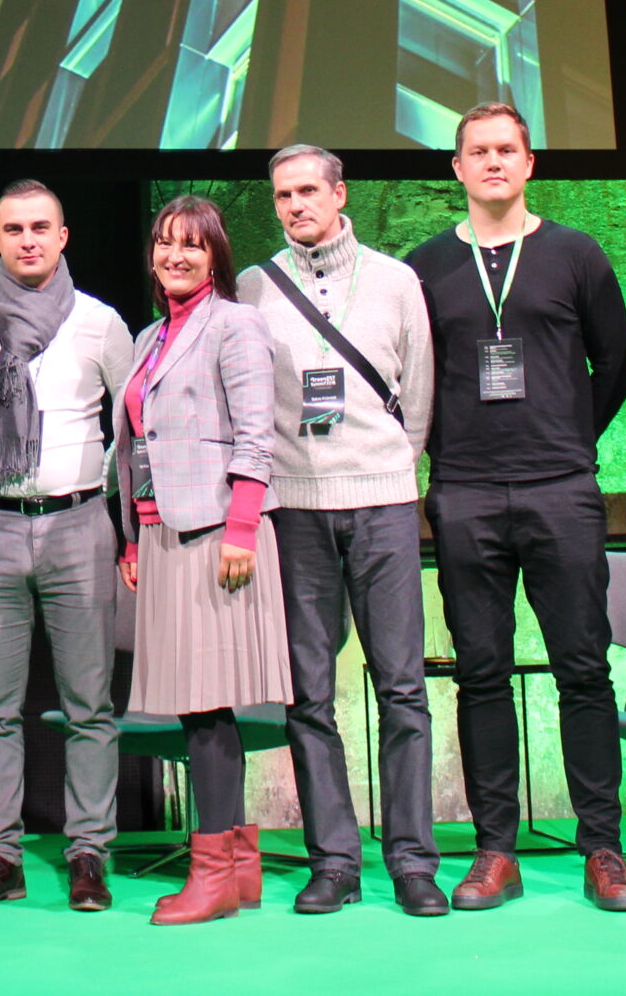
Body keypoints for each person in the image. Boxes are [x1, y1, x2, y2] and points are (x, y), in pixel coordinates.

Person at [404, 103, 626, 912]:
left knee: (584, 667)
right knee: (480, 673)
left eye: (507, 148)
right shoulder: (425, 266)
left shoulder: (576, 253)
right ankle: (494, 850)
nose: (494, 161)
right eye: (478, 151)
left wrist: (567, 438)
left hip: (559, 488)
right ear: (458, 168)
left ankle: (603, 847)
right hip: (465, 492)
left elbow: (616, 365)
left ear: (530, 162)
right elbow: (410, 377)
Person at [238, 144, 445, 918]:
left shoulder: (395, 279)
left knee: (402, 687)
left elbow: (419, 394)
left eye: (307, 190)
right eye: (283, 194)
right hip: (295, 509)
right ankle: (333, 860)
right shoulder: (254, 286)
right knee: (309, 693)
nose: (296, 204)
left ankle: (413, 862)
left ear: (339, 193)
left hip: (383, 502)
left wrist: (389, 468)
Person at [0, 179, 135, 914]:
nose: (28, 239)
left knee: (89, 702)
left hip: (79, 524)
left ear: (63, 237)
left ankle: (89, 853)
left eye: (40, 227)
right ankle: (0, 855)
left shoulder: (100, 322)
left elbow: (133, 427)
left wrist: (109, 501)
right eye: (14, 228)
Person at [115, 193, 291, 926]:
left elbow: (256, 433)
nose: (175, 255)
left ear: (215, 255)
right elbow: (137, 445)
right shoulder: (150, 335)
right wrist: (133, 535)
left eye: (192, 243)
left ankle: (213, 872)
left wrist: (242, 528)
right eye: (165, 242)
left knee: (207, 707)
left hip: (218, 536)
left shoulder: (235, 323)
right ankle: (239, 869)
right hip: (163, 539)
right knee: (198, 706)